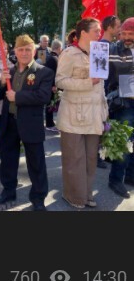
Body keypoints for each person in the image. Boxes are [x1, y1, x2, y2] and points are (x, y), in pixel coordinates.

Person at [0, 35, 53, 211]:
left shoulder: (44, 72)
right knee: (8, 160)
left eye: (27, 49)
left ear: (34, 50)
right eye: (20, 49)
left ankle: (38, 197)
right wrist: (2, 83)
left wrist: (17, 97)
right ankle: (9, 191)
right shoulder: (8, 72)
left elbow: (44, 97)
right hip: (9, 122)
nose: (24, 53)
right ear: (15, 52)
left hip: (30, 124)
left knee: (36, 162)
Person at [55, 18, 108, 209]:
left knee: (90, 158)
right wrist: (88, 82)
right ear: (83, 33)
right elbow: (60, 81)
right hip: (73, 115)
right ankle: (73, 196)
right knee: (74, 158)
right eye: (96, 30)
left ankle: (86, 194)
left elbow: (101, 87)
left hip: (94, 115)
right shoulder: (69, 53)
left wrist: (104, 112)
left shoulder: (98, 53)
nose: (99, 33)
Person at [106, 17, 134, 198]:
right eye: (123, 33)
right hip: (124, 103)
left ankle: (130, 176)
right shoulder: (113, 49)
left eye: (130, 33)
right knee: (124, 142)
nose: (126, 37)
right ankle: (115, 179)